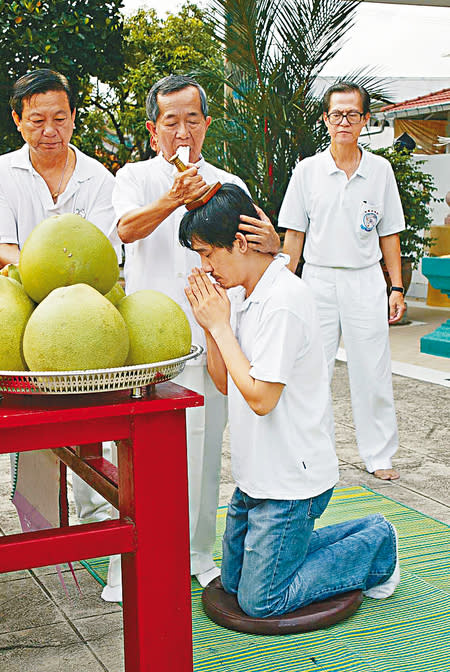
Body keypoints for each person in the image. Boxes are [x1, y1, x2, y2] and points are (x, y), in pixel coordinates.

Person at [179, 182, 400, 617]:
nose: (205, 267)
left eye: (208, 254)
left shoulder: (284, 300)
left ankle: (379, 543)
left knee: (261, 601)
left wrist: (221, 328)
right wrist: (210, 324)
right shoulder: (242, 296)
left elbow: (261, 398)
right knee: (235, 581)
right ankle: (361, 532)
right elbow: (225, 383)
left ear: (240, 243)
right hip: (256, 475)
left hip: (291, 483)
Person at [108, 74, 279, 598]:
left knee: (205, 452)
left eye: (191, 119)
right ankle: (128, 568)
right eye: (170, 121)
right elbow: (126, 230)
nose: (182, 131)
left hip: (213, 336)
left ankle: (198, 552)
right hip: (147, 342)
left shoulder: (229, 182)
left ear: (207, 124)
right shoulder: (134, 177)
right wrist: (171, 198)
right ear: (153, 128)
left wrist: (271, 241)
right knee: (137, 458)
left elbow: (258, 249)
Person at [0, 69, 115, 525]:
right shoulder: (4, 174)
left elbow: (104, 252)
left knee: (91, 421)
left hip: (87, 317)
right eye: (37, 120)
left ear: (73, 119)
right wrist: (47, 265)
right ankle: (40, 521)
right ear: (17, 120)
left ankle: (96, 513)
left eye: (60, 119)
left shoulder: (98, 178)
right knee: (31, 425)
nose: (50, 131)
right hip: (20, 311)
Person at [279, 81, 405, 482]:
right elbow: (294, 236)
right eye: (337, 114)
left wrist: (396, 287)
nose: (344, 121)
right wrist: (282, 287)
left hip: (365, 280)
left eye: (352, 114)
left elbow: (389, 235)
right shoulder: (308, 171)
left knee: (373, 371)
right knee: (312, 371)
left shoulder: (380, 171)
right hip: (317, 279)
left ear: (365, 120)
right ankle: (314, 455)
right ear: (326, 120)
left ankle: (379, 453)